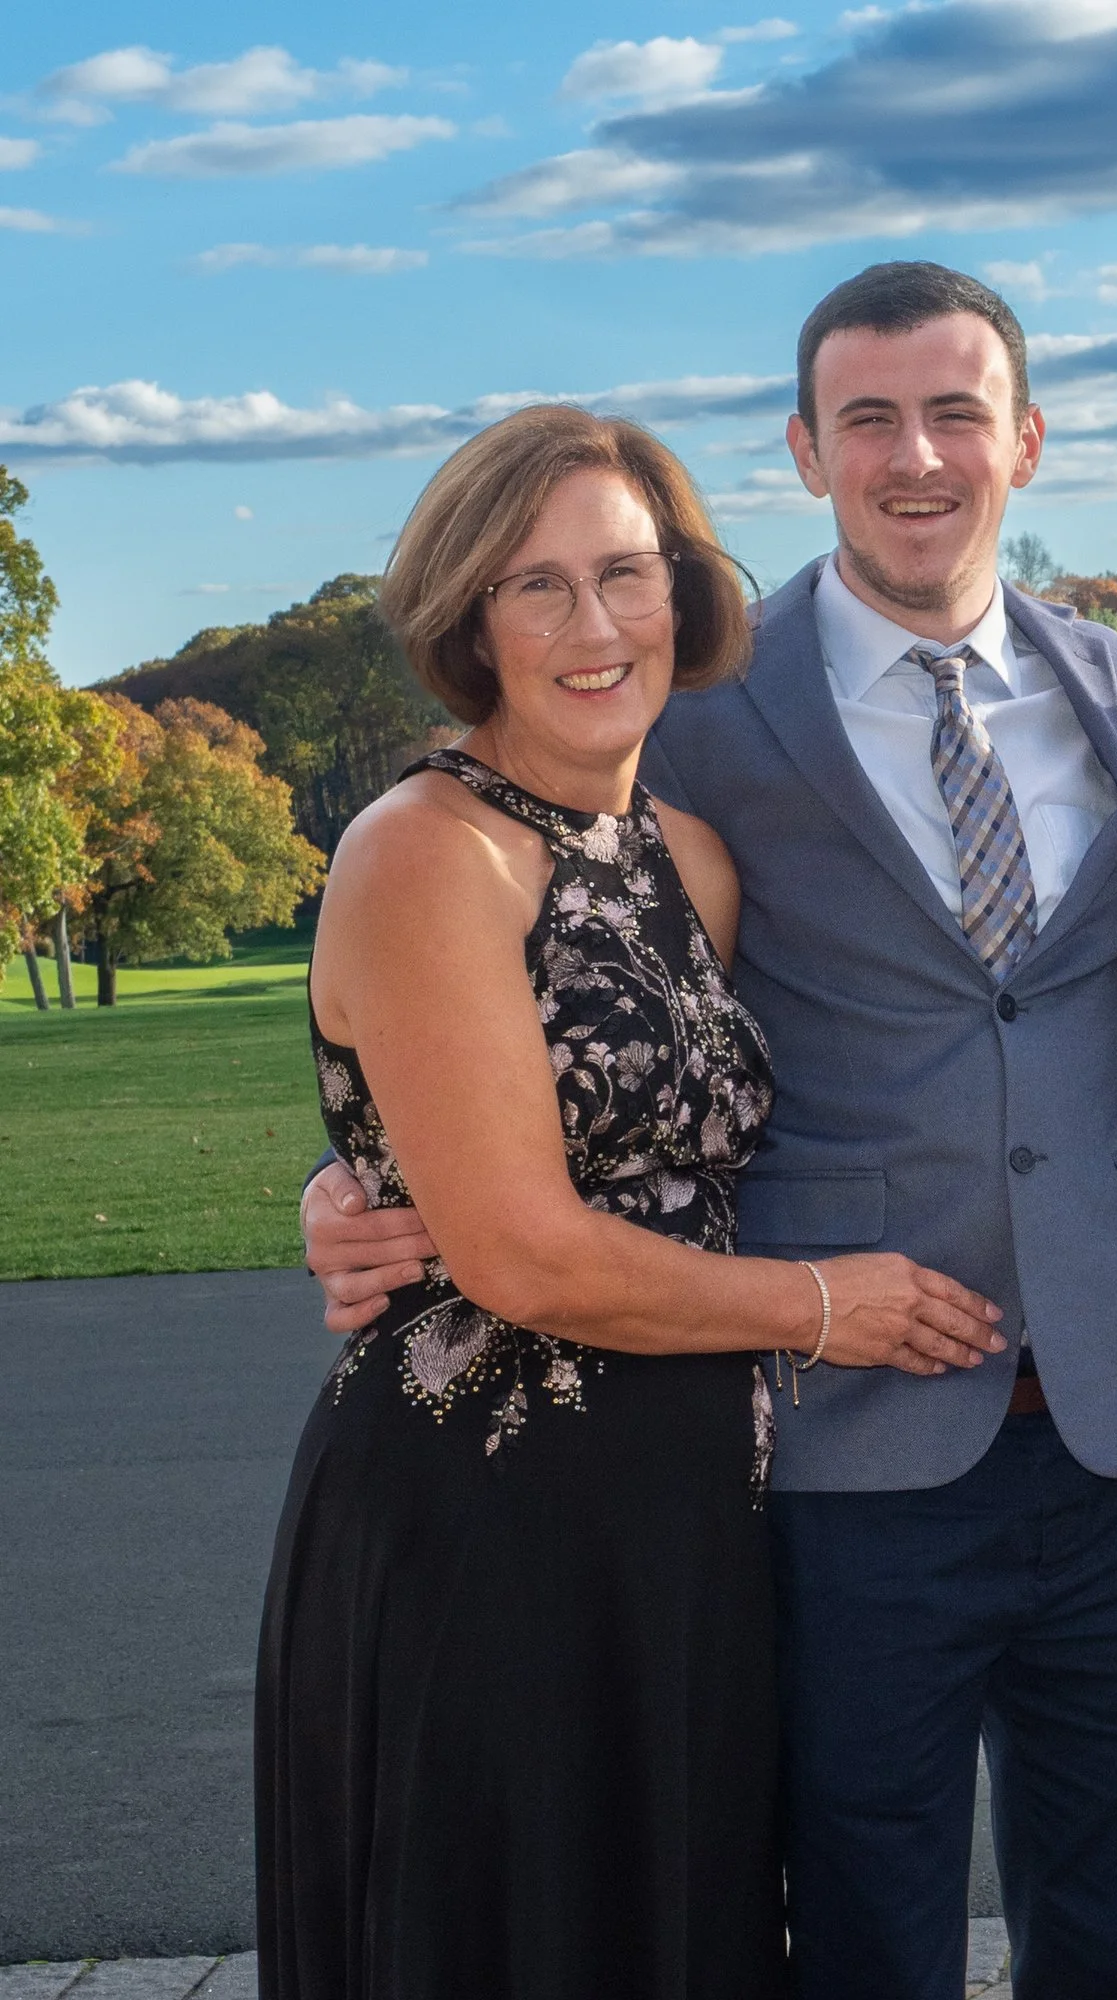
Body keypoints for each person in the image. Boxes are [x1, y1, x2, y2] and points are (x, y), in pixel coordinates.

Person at [302, 264, 1117, 2000]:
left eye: (958, 412)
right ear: (807, 451)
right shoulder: (688, 716)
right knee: (858, 1933)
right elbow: (518, 967)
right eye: (868, 418)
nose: (917, 455)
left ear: (1026, 440)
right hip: (846, 1443)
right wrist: (365, 1172)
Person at [260, 404, 1005, 1999]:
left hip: (689, 1529)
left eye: (627, 573)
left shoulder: (692, 860)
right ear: (470, 619)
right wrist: (828, 1307)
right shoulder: (423, 853)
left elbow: (674, 1154)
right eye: (539, 587)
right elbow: (522, 1249)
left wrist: (358, 1181)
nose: (596, 626)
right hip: (485, 1522)